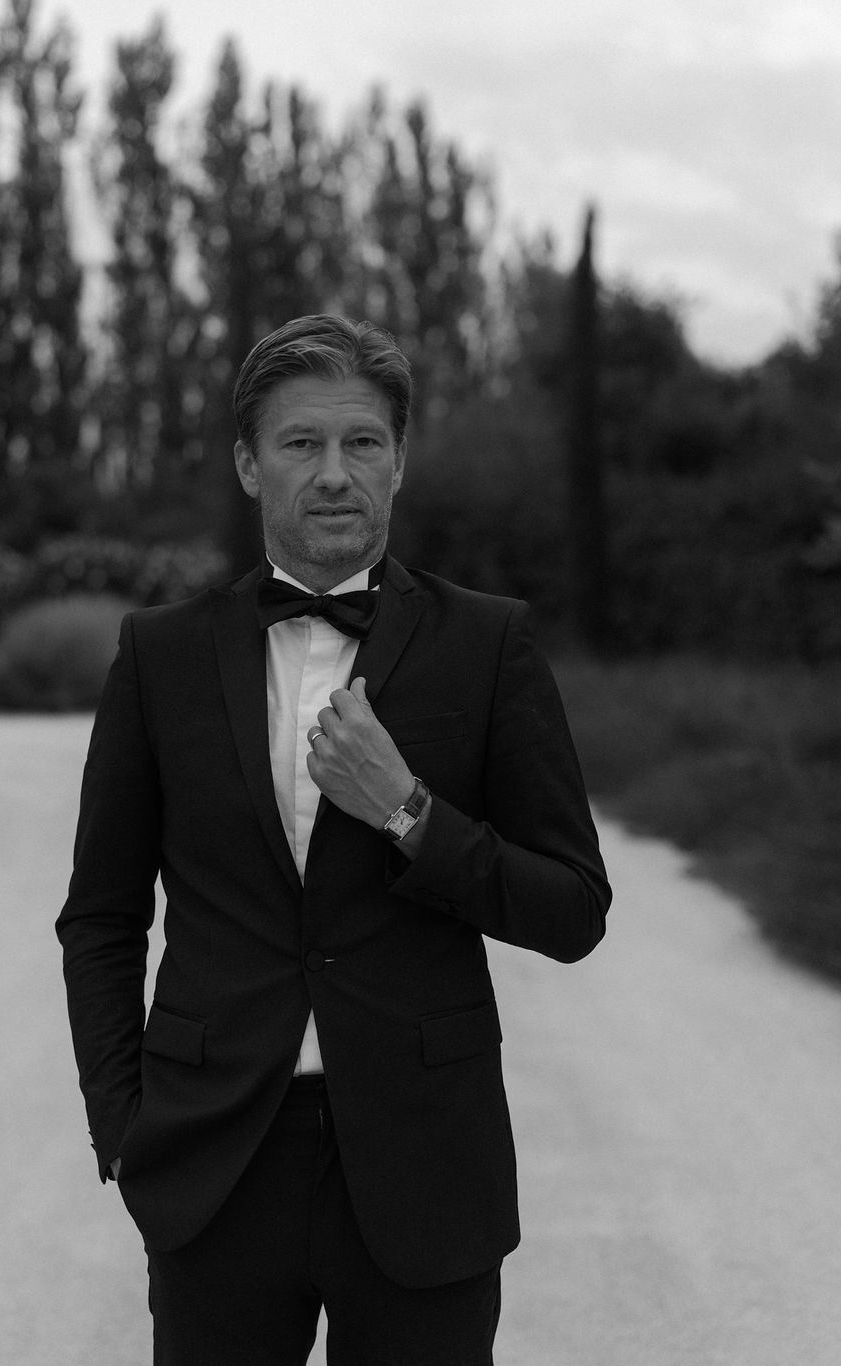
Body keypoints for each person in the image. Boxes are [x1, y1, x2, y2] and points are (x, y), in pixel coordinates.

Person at [56, 314, 611, 1364]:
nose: (332, 474)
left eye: (362, 442)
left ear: (399, 461)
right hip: (215, 1161)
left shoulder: (489, 644)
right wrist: (122, 1126)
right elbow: (101, 916)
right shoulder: (159, 656)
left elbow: (574, 910)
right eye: (299, 442)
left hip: (426, 1162)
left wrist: (409, 813)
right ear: (248, 463)